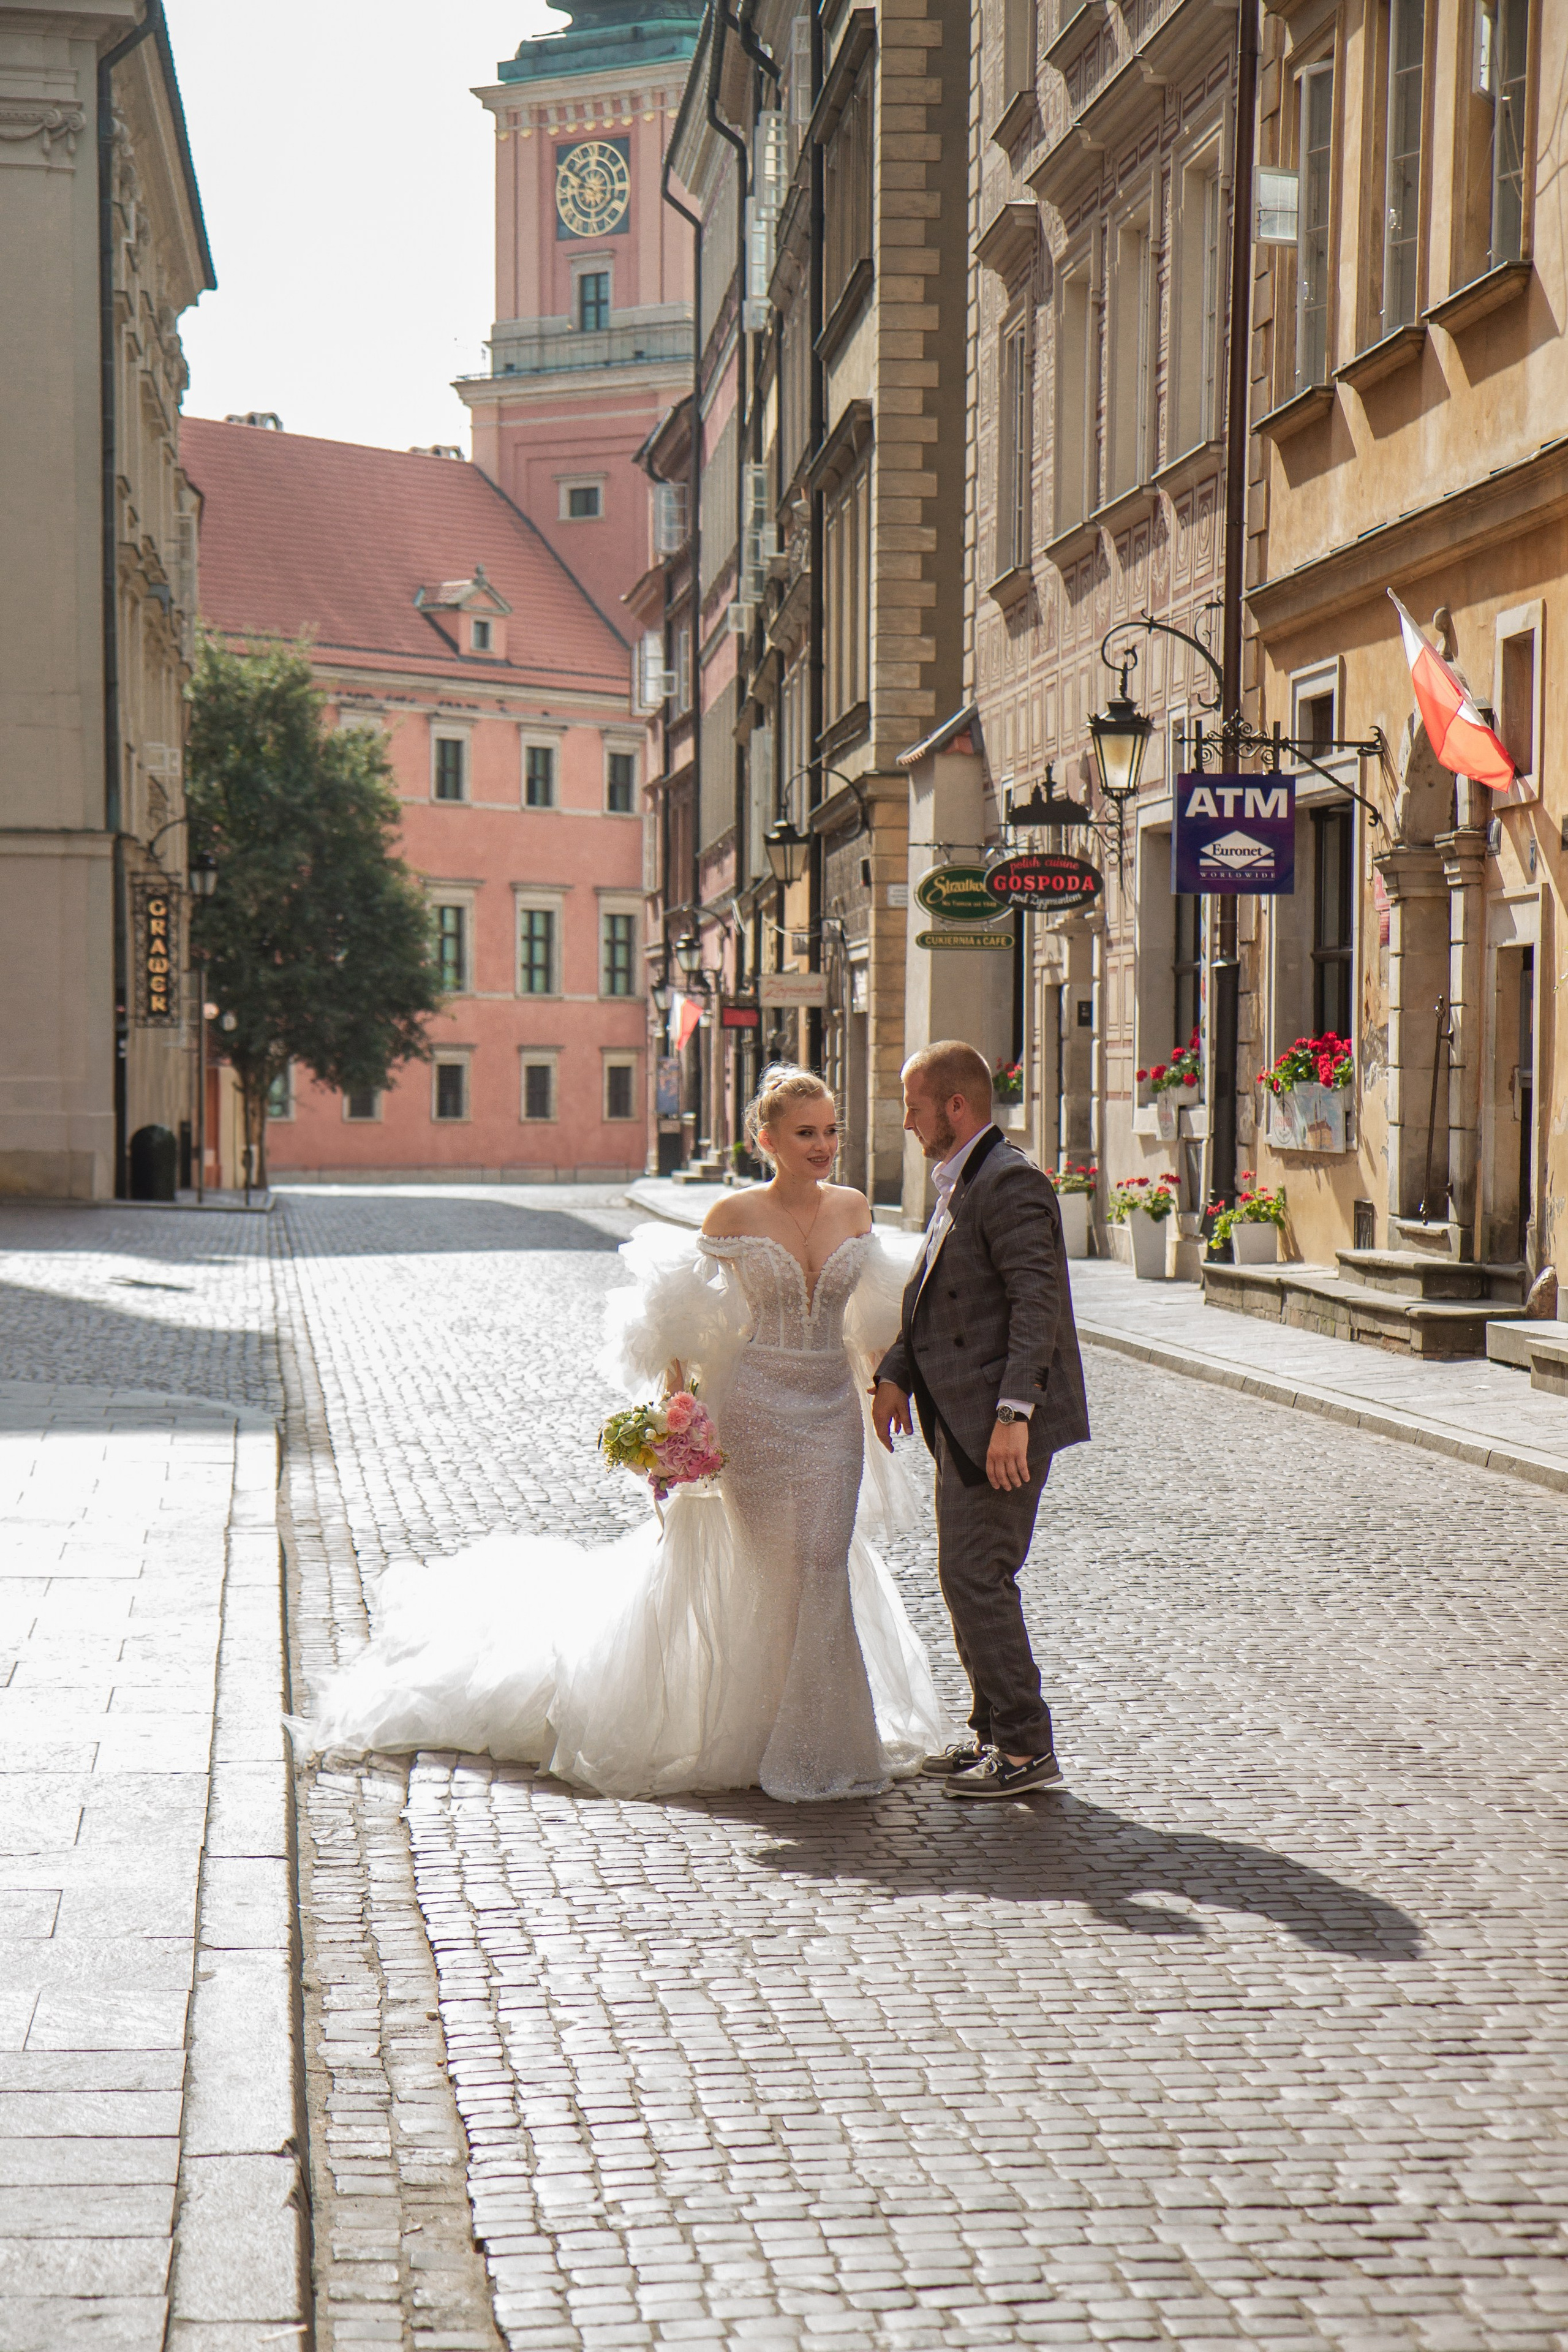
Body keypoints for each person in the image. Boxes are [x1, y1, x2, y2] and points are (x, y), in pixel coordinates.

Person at [288, 1065, 946, 1803]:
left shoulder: (855, 1209)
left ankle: (827, 1739)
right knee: (774, 1570)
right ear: (767, 1140)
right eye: (806, 1133)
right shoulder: (732, 1216)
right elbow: (684, 1320)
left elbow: (874, 1319)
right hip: (757, 1410)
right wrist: (678, 1415)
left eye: (831, 1131)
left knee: (824, 1559)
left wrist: (887, 1381)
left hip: (830, 1411)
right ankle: (767, 1730)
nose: (823, 1145)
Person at [873, 1039, 1089, 1800]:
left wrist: (1012, 1414)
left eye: (914, 1105)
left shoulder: (1009, 1182)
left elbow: (1040, 1305)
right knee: (963, 1573)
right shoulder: (961, 1177)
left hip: (998, 1419)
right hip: (961, 1415)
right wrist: (897, 1371)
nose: (906, 1120)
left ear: (954, 1107)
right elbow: (931, 1294)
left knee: (977, 1574)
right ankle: (990, 1730)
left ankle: (1027, 1748)